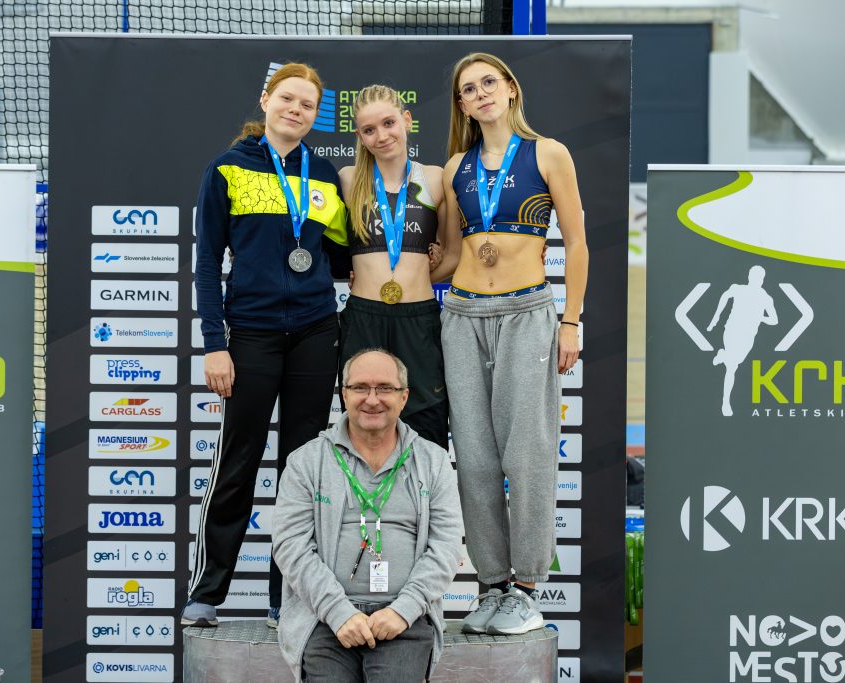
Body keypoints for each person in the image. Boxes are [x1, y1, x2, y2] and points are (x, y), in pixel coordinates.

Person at [182, 62, 350, 630]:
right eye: (288, 99)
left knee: (302, 471)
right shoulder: (227, 168)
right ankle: (208, 592)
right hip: (250, 334)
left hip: (315, 332)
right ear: (266, 100)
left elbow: (338, 255)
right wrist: (215, 343)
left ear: (315, 115)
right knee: (238, 462)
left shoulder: (322, 174)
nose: (296, 110)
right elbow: (207, 263)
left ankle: (290, 597)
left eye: (307, 104)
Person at [437, 52, 588, 635]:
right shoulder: (456, 167)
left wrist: (570, 321)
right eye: (468, 89)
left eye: (488, 83)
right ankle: (492, 586)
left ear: (510, 89)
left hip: (528, 313)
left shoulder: (548, 153)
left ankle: (526, 589)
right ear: (461, 105)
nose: (480, 94)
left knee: (526, 455)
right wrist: (384, 271)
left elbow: (577, 243)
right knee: (474, 460)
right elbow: (452, 254)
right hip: (462, 316)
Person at [272, 349, 463, 683]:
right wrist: (338, 612)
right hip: (323, 617)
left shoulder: (433, 461)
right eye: (360, 387)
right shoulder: (305, 462)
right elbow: (292, 547)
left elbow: (445, 548)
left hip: (405, 618)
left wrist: (403, 610)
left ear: (404, 397)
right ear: (344, 394)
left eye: (385, 388)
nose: (372, 399)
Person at [338, 84, 453, 449]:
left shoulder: (434, 178)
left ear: (407, 120)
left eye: (389, 123)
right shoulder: (348, 179)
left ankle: (425, 489)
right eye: (369, 130)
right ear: (360, 135)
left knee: (427, 422)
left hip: (419, 318)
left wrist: (421, 276)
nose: (382, 135)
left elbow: (453, 253)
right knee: (362, 421)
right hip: (363, 316)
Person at [707, 265, 778, 416]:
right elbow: (724, 296)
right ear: (749, 277)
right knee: (732, 367)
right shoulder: (738, 289)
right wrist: (715, 318)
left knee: (735, 361)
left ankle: (722, 355)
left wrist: (761, 318)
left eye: (759, 278)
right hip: (732, 330)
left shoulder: (765, 298)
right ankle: (726, 403)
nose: (756, 280)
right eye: (754, 276)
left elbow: (774, 320)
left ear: (762, 280)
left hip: (748, 336)